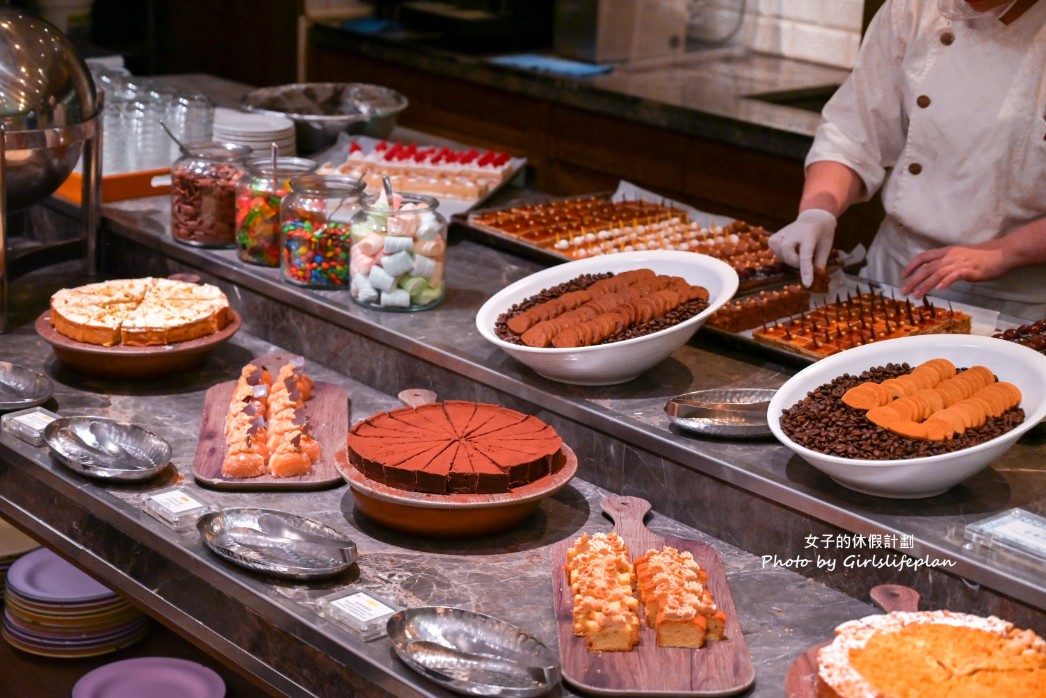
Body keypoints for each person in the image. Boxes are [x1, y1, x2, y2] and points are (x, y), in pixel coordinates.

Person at [768, 0, 1046, 321]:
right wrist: (817, 212)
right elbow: (855, 129)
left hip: (1018, 302)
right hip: (898, 273)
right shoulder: (915, 7)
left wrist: (1007, 251)